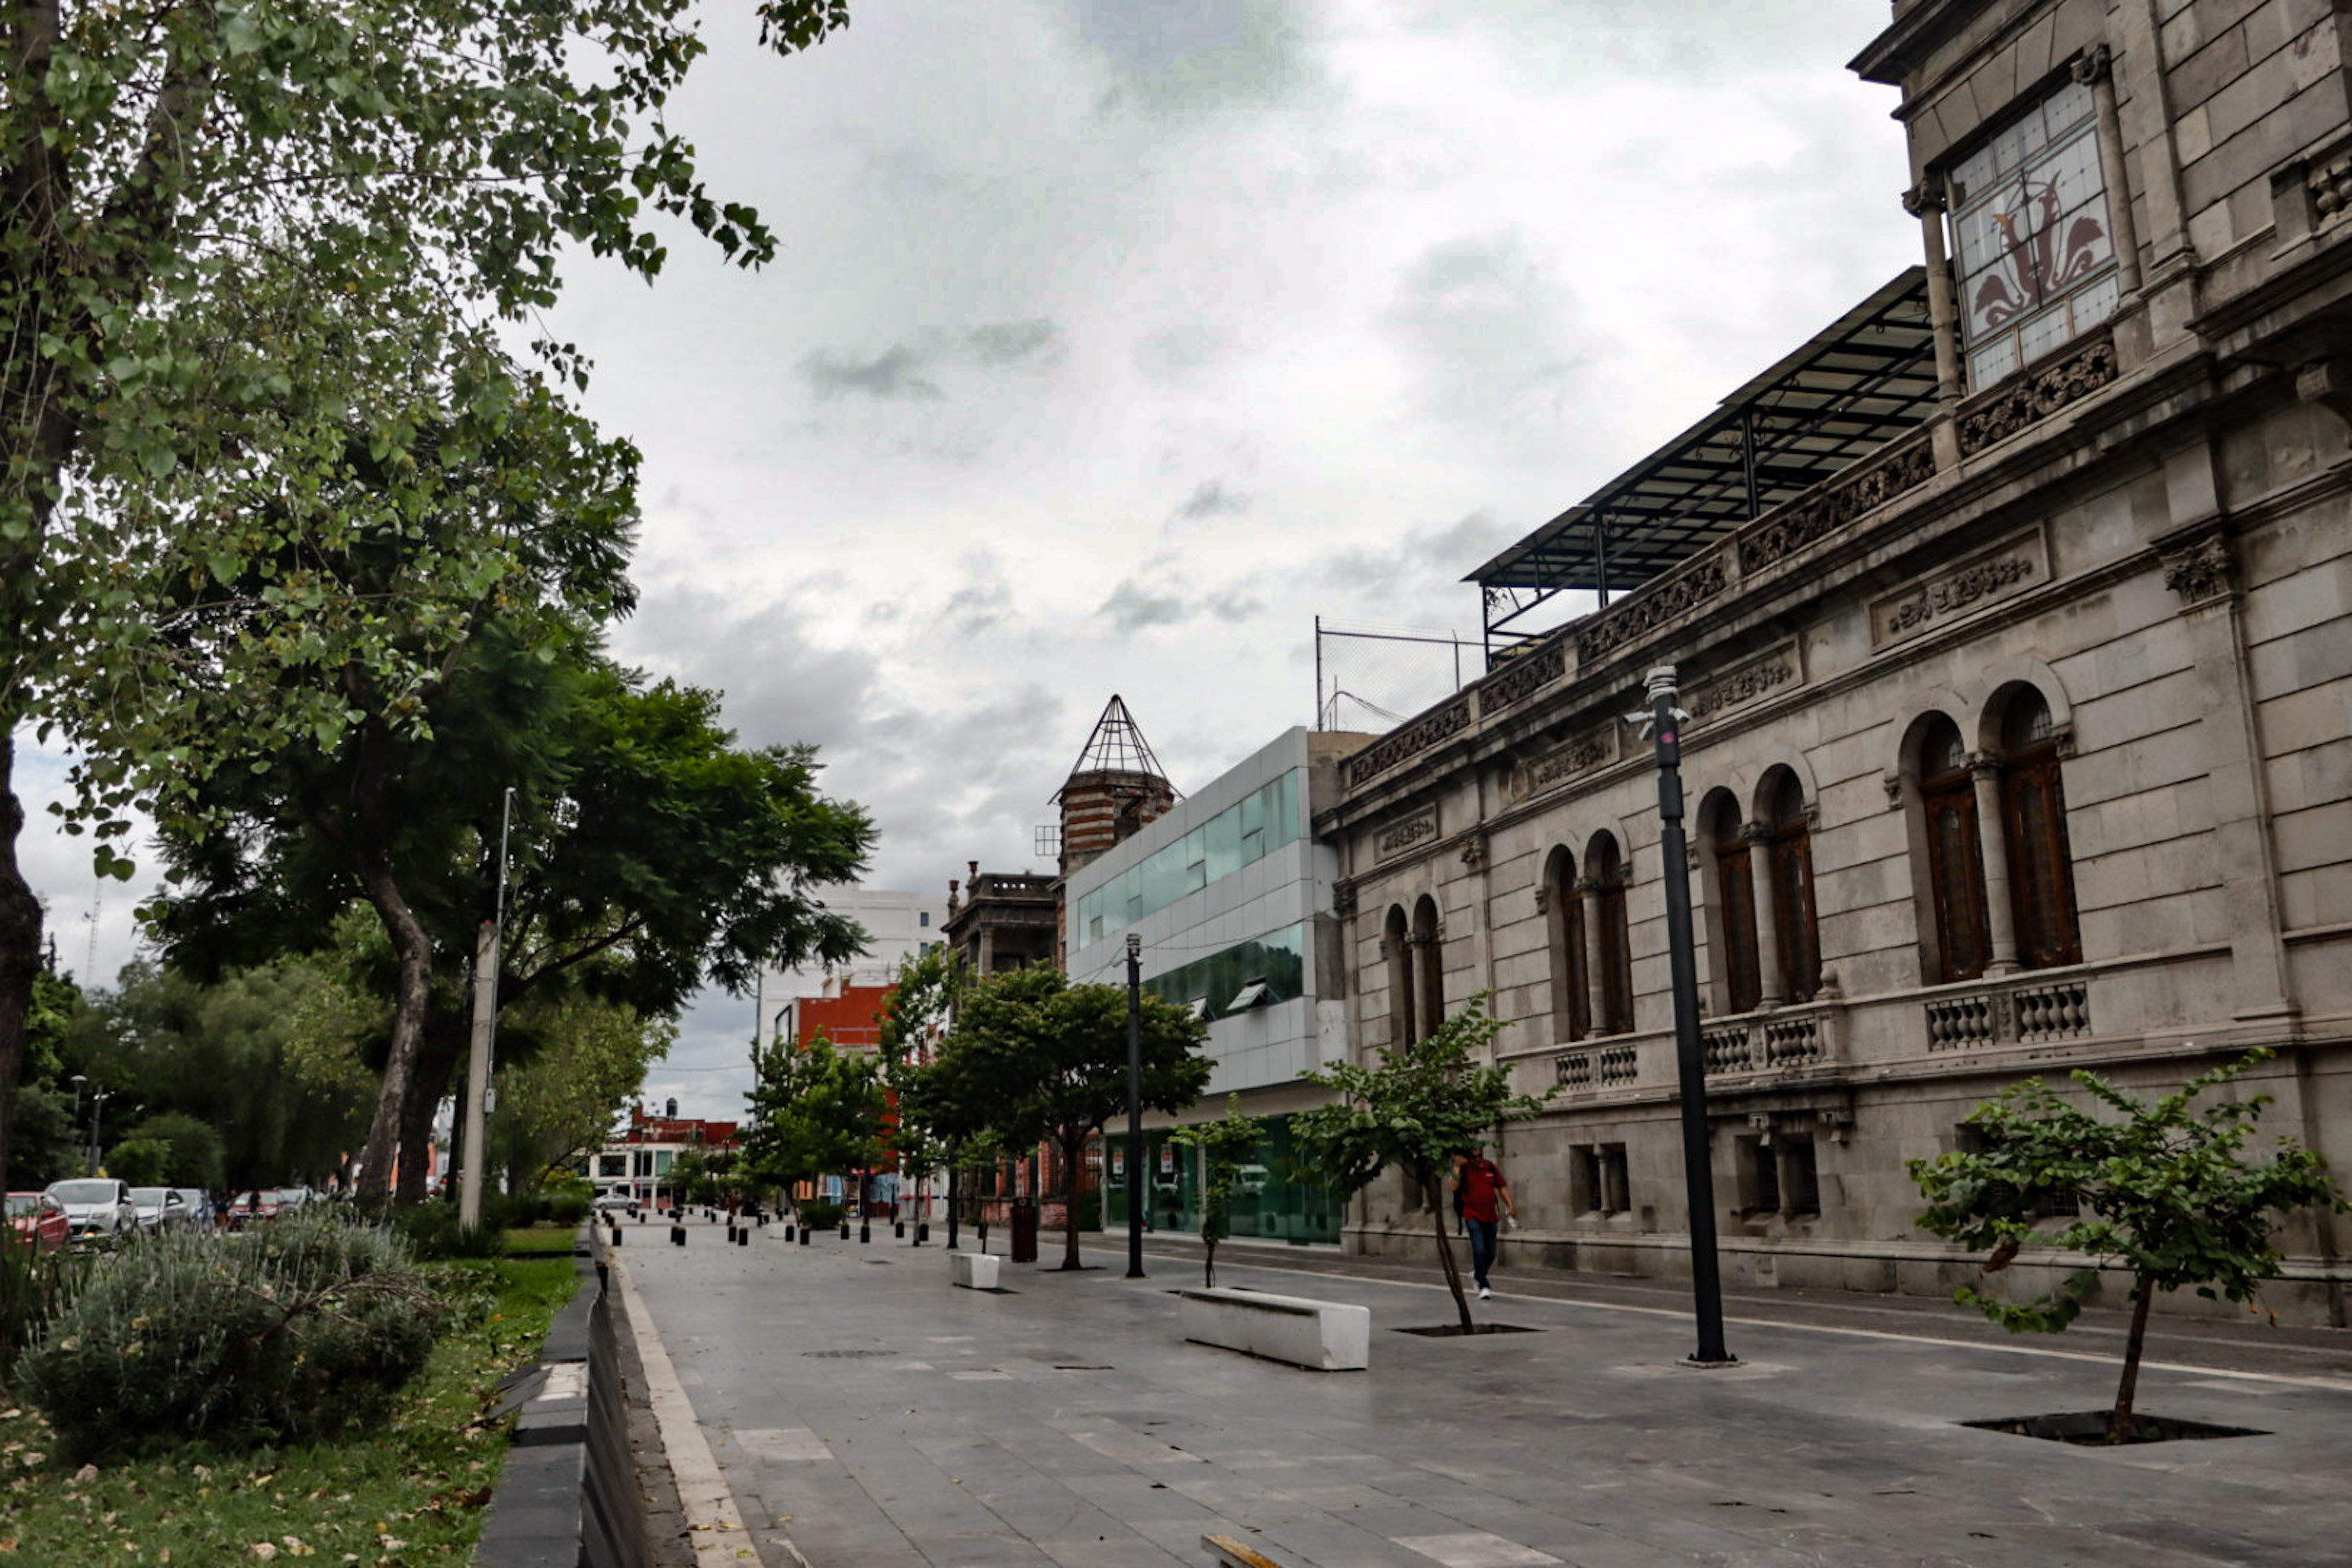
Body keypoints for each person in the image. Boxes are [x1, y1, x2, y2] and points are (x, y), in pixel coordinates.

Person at [1452, 1143, 1515, 1300]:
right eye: (1474, 1157)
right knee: (1479, 1250)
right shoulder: (1464, 1169)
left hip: (1491, 1216)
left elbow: (1502, 1186)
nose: (1478, 1159)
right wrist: (1456, 1167)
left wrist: (1510, 1205)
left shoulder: (1490, 1167)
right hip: (1472, 1215)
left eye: (1480, 1156)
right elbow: (1453, 1186)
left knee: (1491, 1253)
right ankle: (1484, 1285)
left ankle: (1477, 1274)